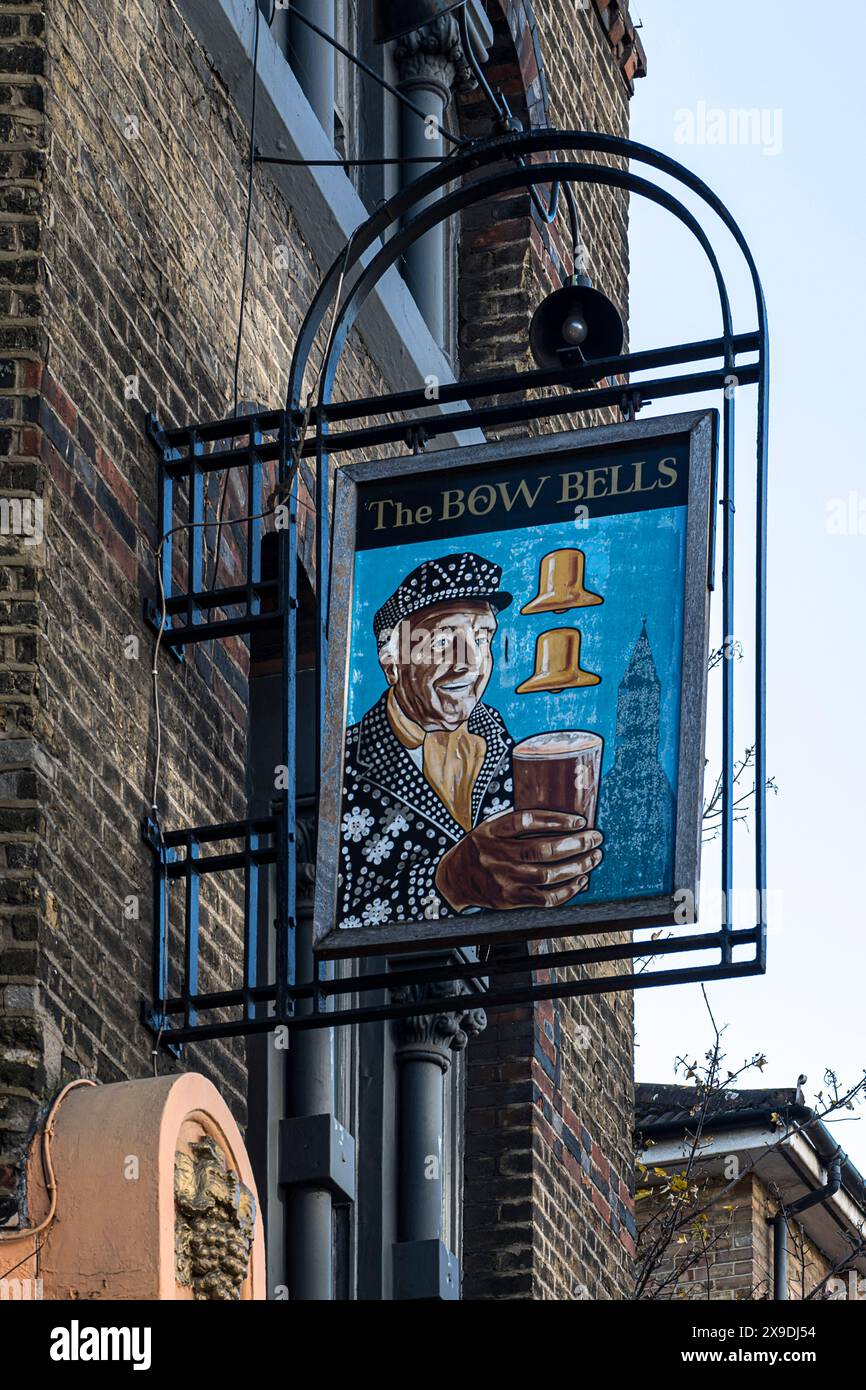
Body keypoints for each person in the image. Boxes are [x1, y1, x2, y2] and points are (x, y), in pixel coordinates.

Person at [338, 552, 603, 930]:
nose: (470, 662)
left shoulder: (507, 752)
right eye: (444, 640)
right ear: (391, 661)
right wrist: (448, 884)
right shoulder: (343, 765)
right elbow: (330, 920)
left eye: (482, 638)